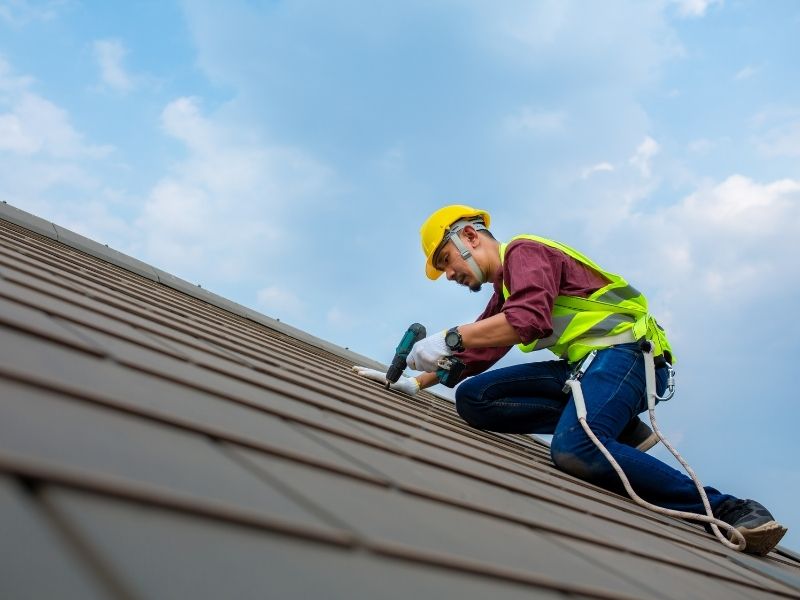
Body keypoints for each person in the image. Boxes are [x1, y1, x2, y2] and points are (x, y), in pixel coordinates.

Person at [354, 204, 787, 556]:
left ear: (469, 237)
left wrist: (451, 336)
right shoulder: (504, 291)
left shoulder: (525, 253)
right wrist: (416, 383)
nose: (450, 274)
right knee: (473, 397)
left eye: (446, 261)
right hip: (589, 368)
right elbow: (479, 350)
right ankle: (614, 427)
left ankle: (732, 509)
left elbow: (524, 321)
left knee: (574, 449)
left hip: (627, 356)